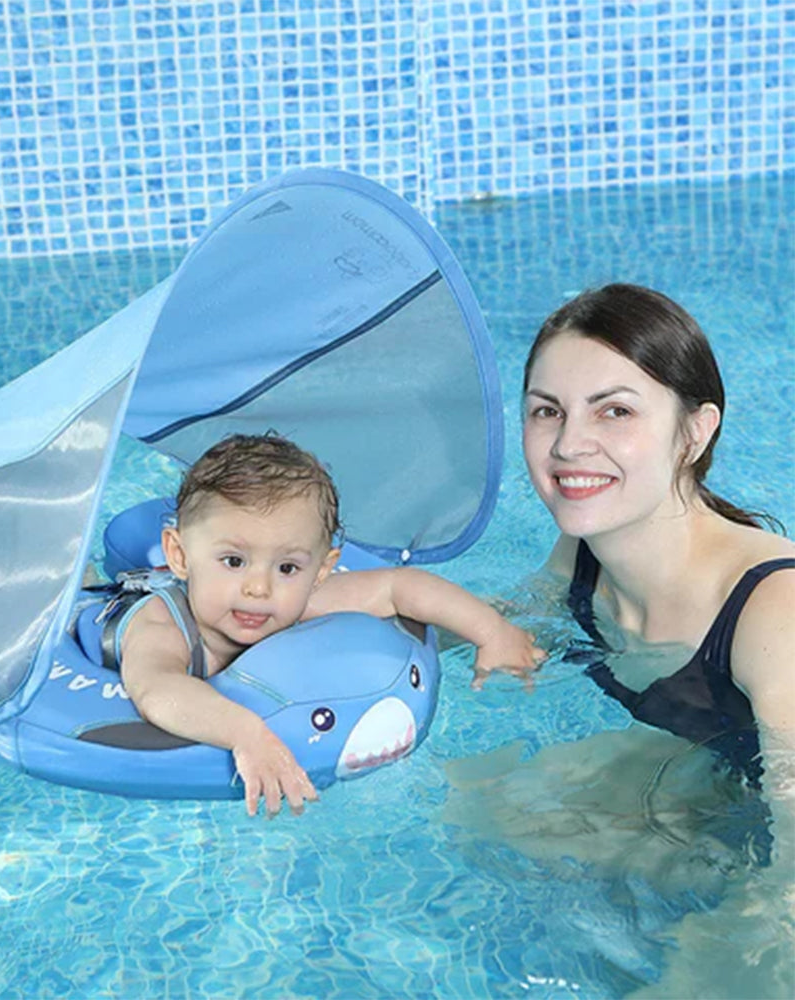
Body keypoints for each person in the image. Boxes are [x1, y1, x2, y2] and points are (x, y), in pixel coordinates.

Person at [116, 432, 544, 818]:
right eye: (233, 561)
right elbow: (158, 690)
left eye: (287, 566)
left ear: (322, 570)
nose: (259, 588)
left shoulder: (297, 601)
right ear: (179, 554)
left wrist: (494, 632)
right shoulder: (161, 628)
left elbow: (399, 587)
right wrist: (247, 735)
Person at [513, 283, 794, 788]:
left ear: (695, 433)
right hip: (725, 782)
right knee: (487, 795)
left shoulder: (774, 612)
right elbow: (503, 627)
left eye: (615, 411)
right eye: (547, 411)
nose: (569, 444)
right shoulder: (584, 553)